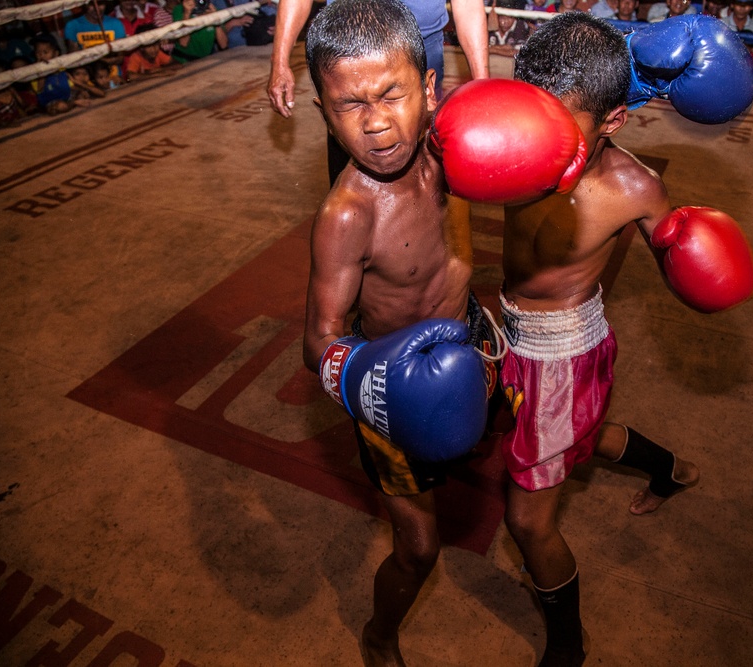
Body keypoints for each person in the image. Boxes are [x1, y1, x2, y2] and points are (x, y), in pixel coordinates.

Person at [483, 13, 753, 664]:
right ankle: (672, 469)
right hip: (509, 326)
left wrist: (694, 252)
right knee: (578, 439)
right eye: (532, 114)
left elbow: (679, 256)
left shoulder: (635, 187)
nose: (538, 137)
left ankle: (568, 645)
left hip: (564, 353)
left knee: (527, 520)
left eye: (564, 124)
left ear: (611, 122)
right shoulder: (507, 136)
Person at [301, 0, 498, 663]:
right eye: (348, 105)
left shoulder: (453, 151)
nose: (377, 123)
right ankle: (379, 633)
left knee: (528, 465)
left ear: (431, 89)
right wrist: (379, 380)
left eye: (391, 93)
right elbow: (318, 340)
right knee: (418, 548)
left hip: (470, 337)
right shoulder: (347, 215)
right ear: (324, 113)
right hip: (391, 380)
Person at [267, 0, 489, 185]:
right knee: (351, 164)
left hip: (421, 45)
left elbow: (468, 4)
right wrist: (279, 60)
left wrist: (482, 84)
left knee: (428, 164)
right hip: (346, 54)